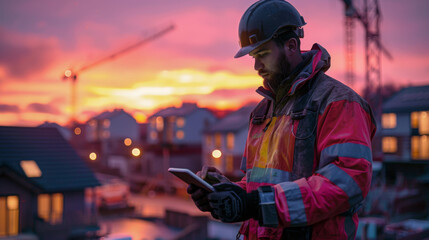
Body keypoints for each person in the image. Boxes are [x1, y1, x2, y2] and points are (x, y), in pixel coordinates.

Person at [187, 0, 376, 239]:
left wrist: (254, 203)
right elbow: (257, 185)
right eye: (254, 56)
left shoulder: (338, 102)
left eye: (263, 54)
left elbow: (347, 181)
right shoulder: (262, 111)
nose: (256, 66)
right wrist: (227, 193)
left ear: (291, 46)